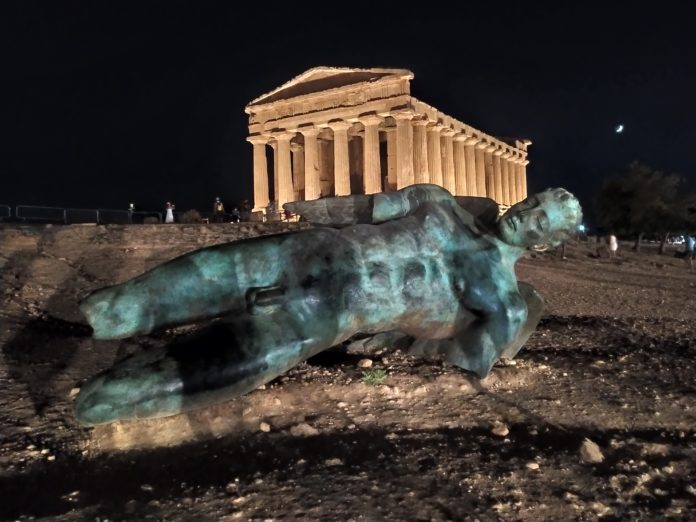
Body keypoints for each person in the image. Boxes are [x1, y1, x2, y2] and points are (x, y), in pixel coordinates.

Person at [75, 184, 582, 425]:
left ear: (548, 243)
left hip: (330, 314)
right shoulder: (439, 201)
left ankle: (108, 395)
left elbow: (463, 360)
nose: (526, 215)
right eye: (532, 204)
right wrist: (303, 210)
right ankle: (103, 320)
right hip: (301, 253)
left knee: (118, 394)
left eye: (541, 221)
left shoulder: (504, 301)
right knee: (118, 306)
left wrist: (397, 337)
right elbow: (358, 208)